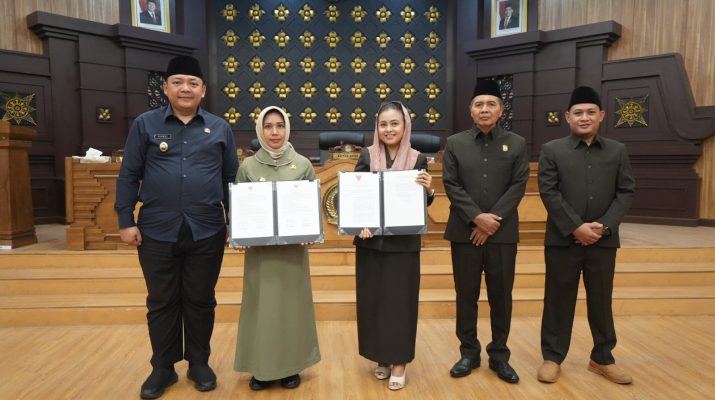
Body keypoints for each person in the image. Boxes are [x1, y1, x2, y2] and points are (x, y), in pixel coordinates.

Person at [115, 55, 238, 399]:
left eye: (193, 83)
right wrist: (125, 220)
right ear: (166, 88)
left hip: (207, 229)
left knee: (201, 299)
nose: (186, 89)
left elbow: (231, 179)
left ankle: (199, 363)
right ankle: (163, 368)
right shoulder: (145, 124)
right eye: (179, 82)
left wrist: (235, 222)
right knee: (161, 300)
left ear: (203, 91)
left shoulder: (220, 128)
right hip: (156, 229)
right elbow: (129, 174)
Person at [537, 86, 635, 385]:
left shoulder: (617, 150)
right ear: (567, 117)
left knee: (601, 300)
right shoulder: (552, 150)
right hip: (562, 241)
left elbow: (625, 191)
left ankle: (602, 358)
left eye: (590, 112)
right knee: (558, 300)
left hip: (603, 241)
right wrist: (576, 227)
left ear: (601, 115)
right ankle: (553, 357)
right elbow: (549, 192)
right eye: (578, 112)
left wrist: (605, 226)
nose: (584, 117)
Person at [442, 79, 529, 384]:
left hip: (502, 235)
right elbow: (451, 184)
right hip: (464, 233)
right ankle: (469, 352)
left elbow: (519, 185)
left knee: (501, 296)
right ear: (471, 110)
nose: (484, 109)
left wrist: (492, 222)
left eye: (491, 104)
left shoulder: (517, 143)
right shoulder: (455, 143)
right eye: (479, 104)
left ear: (501, 110)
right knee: (466, 295)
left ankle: (499, 355)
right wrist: (477, 218)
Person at [233, 106, 321, 391]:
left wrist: (311, 231)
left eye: (280, 126)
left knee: (292, 307)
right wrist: (238, 235)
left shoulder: (303, 165)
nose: (274, 132)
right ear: (260, 130)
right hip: (261, 255)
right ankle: (261, 368)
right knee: (261, 308)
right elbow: (239, 209)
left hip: (292, 253)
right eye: (268, 126)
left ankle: (291, 367)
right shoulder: (248, 166)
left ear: (287, 129)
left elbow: (311, 208)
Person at [353, 101, 435, 391]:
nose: (389, 129)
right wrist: (358, 223)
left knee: (400, 305)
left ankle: (399, 361)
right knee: (374, 302)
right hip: (371, 244)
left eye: (394, 123)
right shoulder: (367, 155)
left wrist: (429, 190)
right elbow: (356, 196)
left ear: (405, 126)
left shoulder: (417, 159)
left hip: (403, 245)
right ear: (377, 127)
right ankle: (382, 357)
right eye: (383, 124)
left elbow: (420, 203)